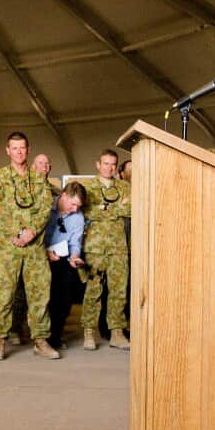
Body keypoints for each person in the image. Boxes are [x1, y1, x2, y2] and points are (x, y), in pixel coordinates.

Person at [0, 132, 57, 361]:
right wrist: (18, 232)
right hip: (9, 246)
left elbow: (46, 206)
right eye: (14, 148)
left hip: (34, 247)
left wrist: (32, 231)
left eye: (23, 148)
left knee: (39, 293)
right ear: (7, 151)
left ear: (28, 149)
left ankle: (40, 339)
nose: (19, 152)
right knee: (3, 293)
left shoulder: (38, 178)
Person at [80, 150, 131, 351]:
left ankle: (116, 332)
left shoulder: (125, 187)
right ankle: (89, 331)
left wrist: (105, 209)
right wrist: (116, 209)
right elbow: (88, 211)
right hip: (95, 247)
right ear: (98, 164)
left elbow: (132, 209)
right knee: (93, 290)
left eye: (113, 164)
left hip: (118, 247)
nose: (109, 168)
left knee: (119, 290)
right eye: (105, 163)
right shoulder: (88, 187)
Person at [43, 182, 86, 351]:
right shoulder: (45, 206)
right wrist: (45, 252)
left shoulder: (78, 217)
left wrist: (75, 257)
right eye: (73, 204)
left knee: (64, 298)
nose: (75, 209)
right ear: (64, 196)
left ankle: (55, 336)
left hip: (63, 258)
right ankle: (40, 336)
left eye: (79, 206)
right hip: (40, 257)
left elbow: (75, 243)